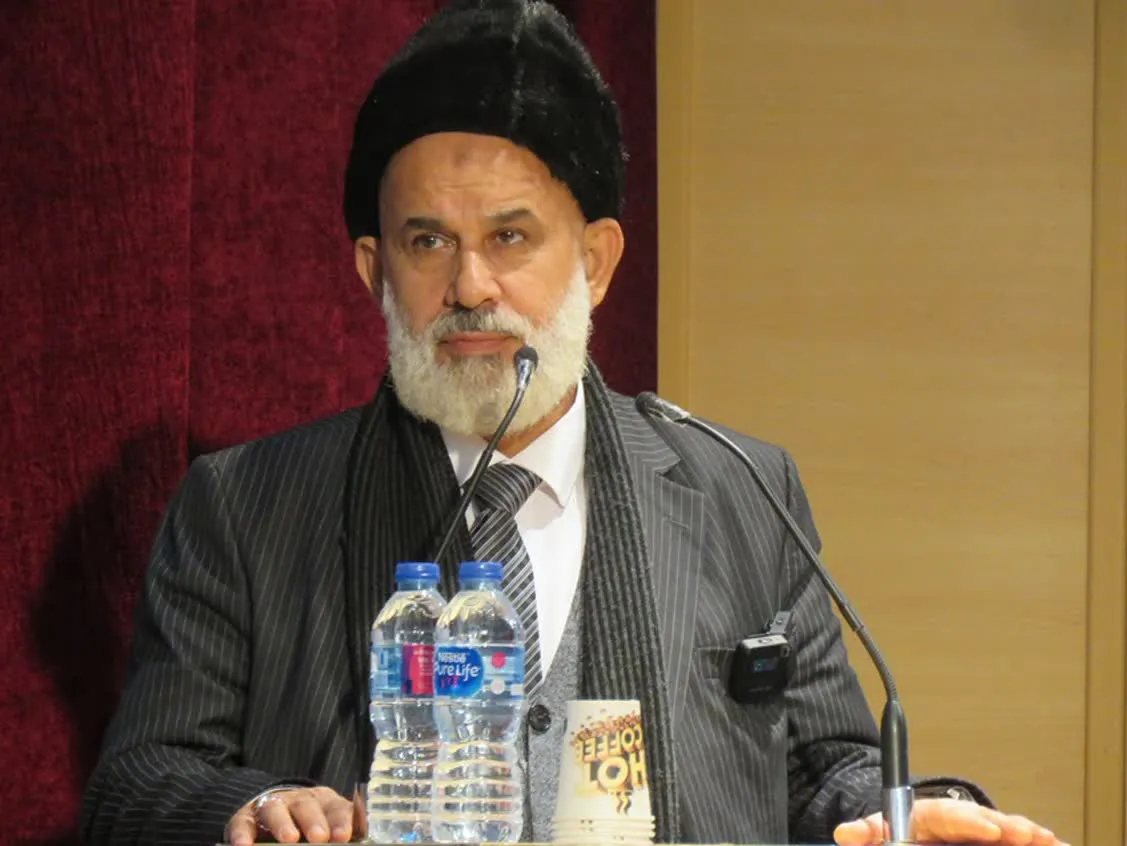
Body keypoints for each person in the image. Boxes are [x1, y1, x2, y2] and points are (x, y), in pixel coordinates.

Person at [82, 2, 1063, 845]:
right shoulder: (244, 506)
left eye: (509, 236)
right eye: (428, 242)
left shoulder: (740, 491)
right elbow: (137, 784)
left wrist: (901, 815)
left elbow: (821, 769)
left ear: (594, 261)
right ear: (375, 271)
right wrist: (255, 805)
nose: (470, 286)